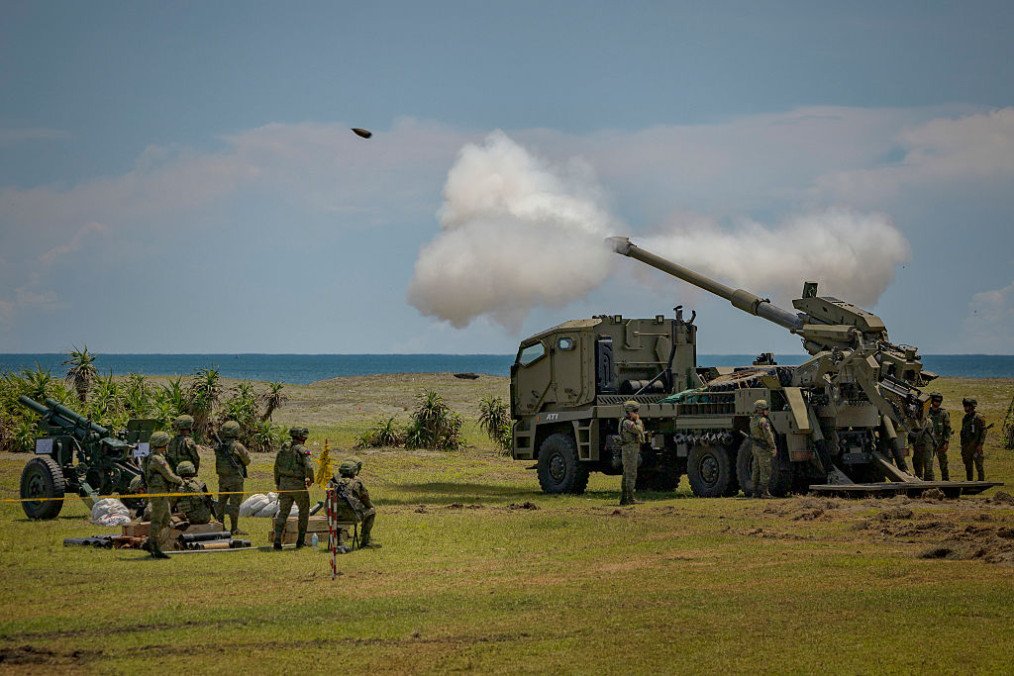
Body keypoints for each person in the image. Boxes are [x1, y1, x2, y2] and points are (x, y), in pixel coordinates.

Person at [273, 427, 315, 550]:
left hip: (284, 484)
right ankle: (300, 541)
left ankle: (277, 540)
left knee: (283, 513)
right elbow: (309, 467)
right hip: (297, 485)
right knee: (303, 512)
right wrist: (311, 479)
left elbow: (276, 467)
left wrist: (278, 483)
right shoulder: (302, 450)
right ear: (303, 437)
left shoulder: (283, 449)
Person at [143, 431, 182, 559]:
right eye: (165, 444)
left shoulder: (152, 457)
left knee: (166, 518)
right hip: (158, 493)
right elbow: (169, 475)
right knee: (158, 520)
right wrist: (180, 480)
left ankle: (152, 542)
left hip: (161, 492)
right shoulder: (157, 459)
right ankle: (154, 546)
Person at [329, 457, 378, 548]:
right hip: (352, 516)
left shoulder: (333, 481)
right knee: (372, 511)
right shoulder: (357, 482)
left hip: (333, 515)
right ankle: (365, 540)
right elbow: (365, 499)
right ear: (354, 471)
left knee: (338, 509)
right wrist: (371, 506)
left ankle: (339, 541)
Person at [215, 420, 251, 535]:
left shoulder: (218, 446)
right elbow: (247, 461)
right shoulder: (237, 446)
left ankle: (220, 526)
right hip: (235, 479)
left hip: (223, 479)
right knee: (234, 505)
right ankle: (234, 528)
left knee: (221, 503)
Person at [618, 400, 646, 506]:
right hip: (629, 450)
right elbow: (638, 430)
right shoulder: (627, 422)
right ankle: (629, 498)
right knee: (630, 474)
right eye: (635, 410)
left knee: (627, 474)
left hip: (630, 449)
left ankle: (625, 498)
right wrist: (638, 421)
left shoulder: (626, 421)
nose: (637, 412)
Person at [173, 461, 215, 526]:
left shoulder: (177, 486)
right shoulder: (200, 483)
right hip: (205, 519)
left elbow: (170, 505)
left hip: (189, 520)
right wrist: (216, 518)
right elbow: (210, 502)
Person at [749, 400, 776, 498]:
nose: (767, 411)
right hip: (764, 448)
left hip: (755, 447)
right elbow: (768, 435)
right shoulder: (763, 421)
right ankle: (765, 492)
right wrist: (773, 447)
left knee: (756, 469)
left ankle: (754, 492)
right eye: (766, 409)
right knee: (765, 469)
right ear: (760, 410)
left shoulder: (753, 420)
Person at [925, 392, 952, 480]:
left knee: (944, 464)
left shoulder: (944, 413)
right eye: (936, 401)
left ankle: (946, 482)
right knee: (928, 463)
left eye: (939, 401)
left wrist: (946, 442)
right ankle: (929, 482)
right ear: (932, 401)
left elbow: (947, 429)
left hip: (941, 443)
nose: (938, 403)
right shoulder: (927, 412)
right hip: (929, 443)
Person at [960, 398, 988, 481]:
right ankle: (969, 484)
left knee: (979, 466)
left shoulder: (978, 417)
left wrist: (980, 445)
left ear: (972, 407)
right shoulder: (965, 418)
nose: (965, 408)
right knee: (968, 467)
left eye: (967, 406)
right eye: (964, 406)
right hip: (966, 447)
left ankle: (981, 483)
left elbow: (983, 431)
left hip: (976, 447)